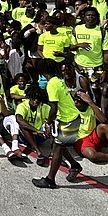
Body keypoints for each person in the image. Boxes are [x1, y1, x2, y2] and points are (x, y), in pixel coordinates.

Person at [31, 61, 85, 190]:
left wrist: (48, 123)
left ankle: (50, 180)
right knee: (59, 144)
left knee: (57, 148)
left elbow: (53, 107)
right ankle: (74, 165)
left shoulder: (52, 84)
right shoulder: (58, 80)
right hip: (70, 117)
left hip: (68, 120)